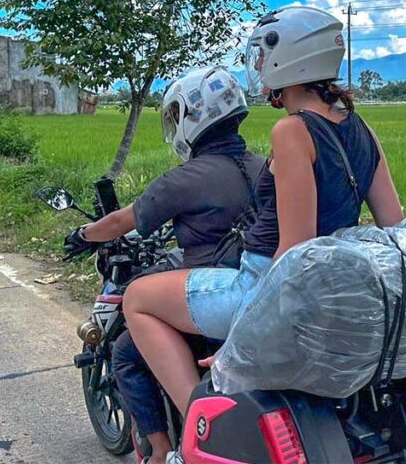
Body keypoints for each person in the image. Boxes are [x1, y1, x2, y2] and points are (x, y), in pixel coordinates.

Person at [125, 5, 405, 435]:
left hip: (260, 285)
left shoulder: (292, 131)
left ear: (287, 56)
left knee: (137, 299)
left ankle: (201, 428)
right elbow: (394, 226)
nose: (257, 65)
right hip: (334, 286)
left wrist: (248, 338)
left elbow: (292, 252)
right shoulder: (361, 128)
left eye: (261, 54)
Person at [64, 66, 264, 464]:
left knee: (124, 351)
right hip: (262, 290)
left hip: (213, 296)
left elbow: (123, 221)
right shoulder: (264, 167)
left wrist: (83, 234)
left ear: (192, 117)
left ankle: (162, 449)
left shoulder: (183, 179)